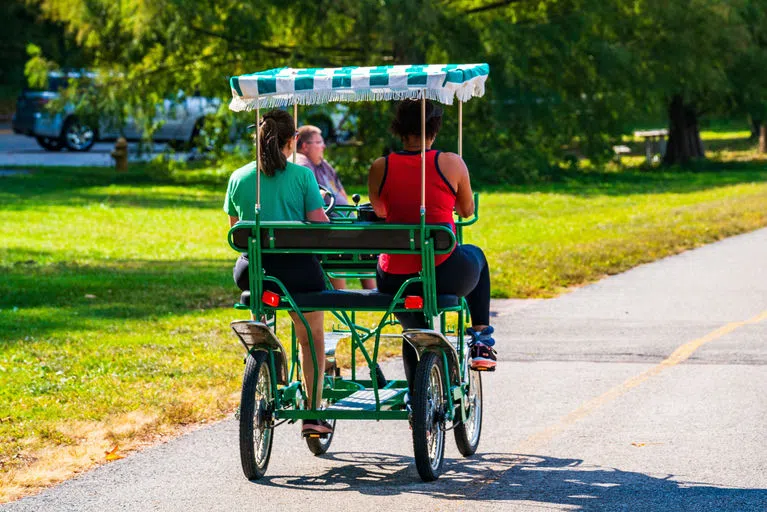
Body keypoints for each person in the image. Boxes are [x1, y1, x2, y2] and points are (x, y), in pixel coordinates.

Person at [367, 99, 497, 394]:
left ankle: (418, 405)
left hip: (394, 280)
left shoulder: (380, 167)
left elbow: (381, 212)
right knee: (477, 255)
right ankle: (480, 339)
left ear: (399, 128)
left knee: (413, 330)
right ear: (435, 128)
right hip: (443, 272)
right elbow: (465, 211)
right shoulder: (451, 163)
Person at [224, 109, 332, 435]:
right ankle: (312, 413)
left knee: (266, 303)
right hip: (296, 271)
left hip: (253, 271)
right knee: (310, 334)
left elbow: (236, 232)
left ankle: (265, 350)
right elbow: (319, 226)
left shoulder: (239, 178)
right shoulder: (302, 176)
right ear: (292, 141)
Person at [296, 124, 376, 290]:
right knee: (354, 247)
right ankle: (341, 296)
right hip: (328, 229)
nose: (323, 146)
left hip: (344, 224)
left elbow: (341, 193)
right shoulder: (301, 164)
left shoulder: (323, 165)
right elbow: (313, 200)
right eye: (318, 142)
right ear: (304, 146)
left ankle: (369, 293)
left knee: (366, 244)